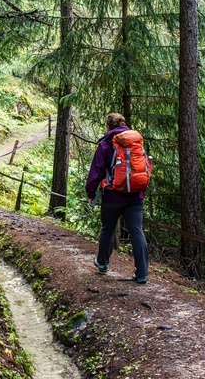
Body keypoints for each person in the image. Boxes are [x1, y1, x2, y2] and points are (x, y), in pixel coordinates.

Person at [85, 113, 148, 283]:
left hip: (112, 196)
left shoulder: (105, 144)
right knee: (137, 230)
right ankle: (142, 272)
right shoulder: (135, 142)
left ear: (108, 126)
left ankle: (102, 263)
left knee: (108, 229)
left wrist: (91, 193)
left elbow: (96, 171)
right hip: (136, 195)